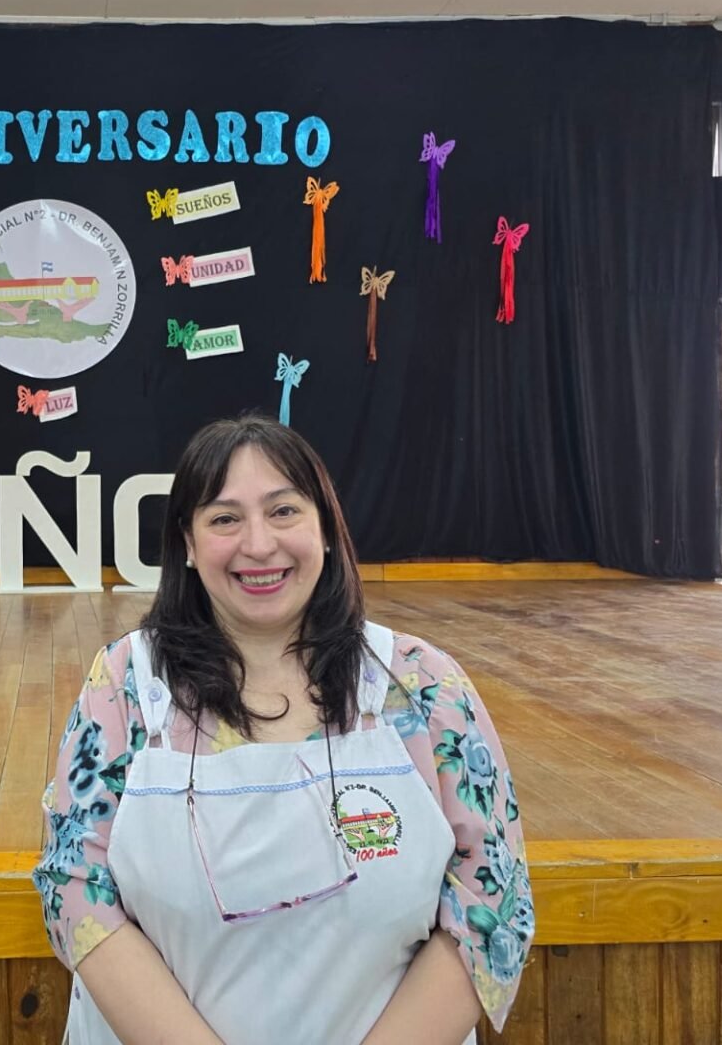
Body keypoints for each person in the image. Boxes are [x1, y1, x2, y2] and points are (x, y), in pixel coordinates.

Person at [34, 415, 534, 1045]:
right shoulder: (125, 686)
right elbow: (74, 888)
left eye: (284, 511)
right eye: (223, 519)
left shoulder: (423, 685)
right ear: (186, 544)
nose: (259, 545)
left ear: (326, 530)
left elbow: (492, 899)